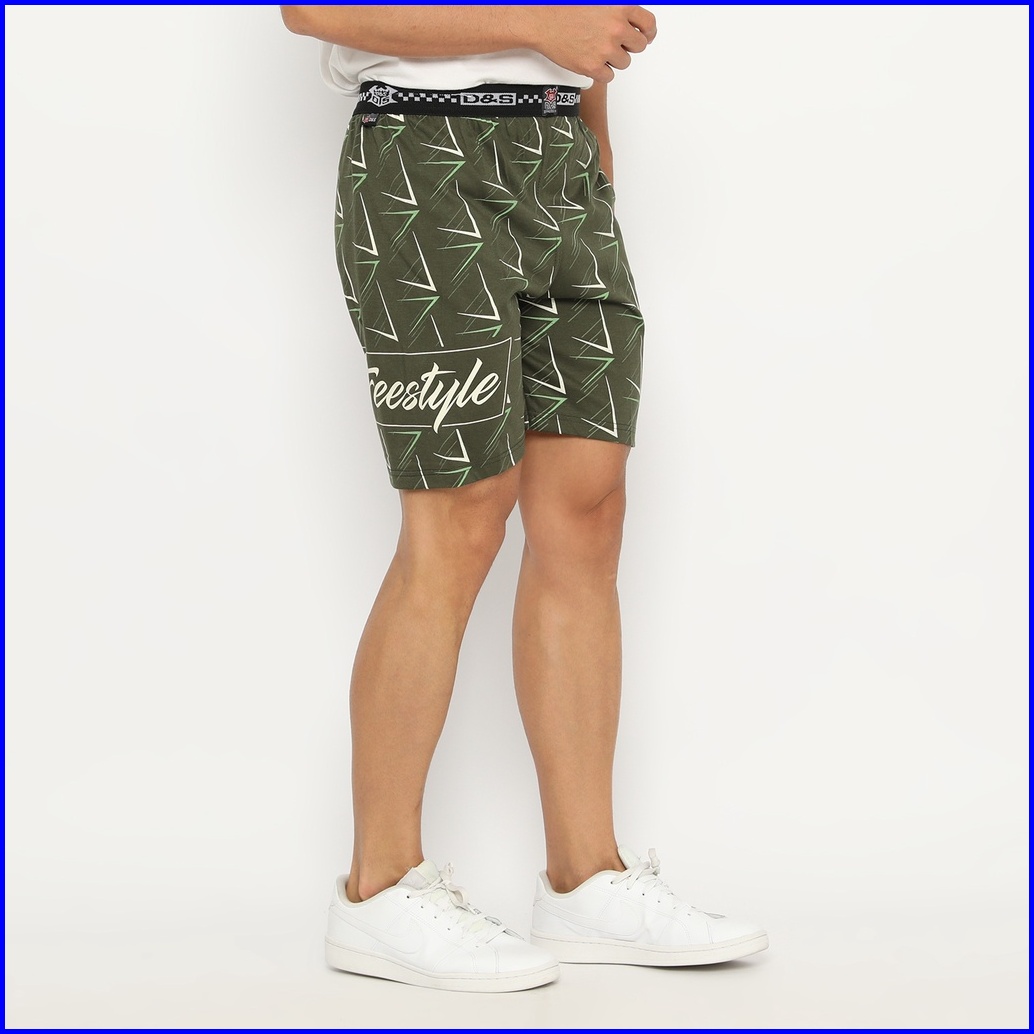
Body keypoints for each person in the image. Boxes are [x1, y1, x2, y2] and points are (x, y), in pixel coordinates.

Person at [281, 4, 768, 992]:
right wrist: (543, 27)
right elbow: (312, 8)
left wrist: (591, 139)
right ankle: (377, 888)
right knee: (458, 517)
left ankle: (586, 878)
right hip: (423, 160)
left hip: (562, 161)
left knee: (585, 509)